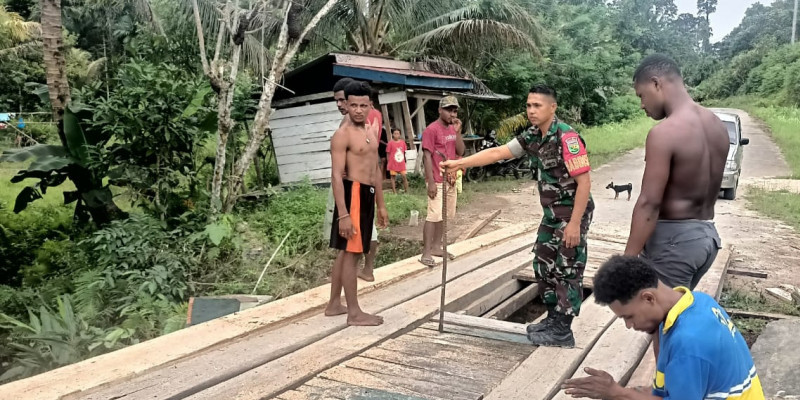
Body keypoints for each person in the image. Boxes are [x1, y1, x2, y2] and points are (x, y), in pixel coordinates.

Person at [442, 85, 594, 348]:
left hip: (571, 212)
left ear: (552, 107)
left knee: (567, 267)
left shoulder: (567, 137)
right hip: (552, 214)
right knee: (543, 262)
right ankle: (553, 318)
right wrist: (459, 163)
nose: (531, 111)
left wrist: (574, 225)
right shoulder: (534, 135)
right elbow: (498, 152)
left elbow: (585, 183)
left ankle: (563, 330)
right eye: (528, 105)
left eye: (537, 105)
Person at [563, 255, 765, 400]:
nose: (629, 326)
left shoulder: (689, 343)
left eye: (629, 316)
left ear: (649, 298)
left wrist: (618, 393)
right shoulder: (697, 301)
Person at [624, 54, 728, 291]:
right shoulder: (717, 125)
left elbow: (649, 203)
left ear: (656, 83)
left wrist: (627, 261)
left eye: (641, 95)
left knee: (659, 324)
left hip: (673, 244)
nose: (642, 105)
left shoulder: (664, 133)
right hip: (705, 237)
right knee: (678, 318)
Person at [324, 81, 388, 326]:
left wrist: (381, 204)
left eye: (363, 105)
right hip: (353, 194)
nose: (358, 110)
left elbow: (375, 168)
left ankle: (336, 305)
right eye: (353, 105)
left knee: (354, 252)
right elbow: (336, 176)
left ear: (370, 105)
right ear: (346, 105)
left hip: (368, 194)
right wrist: (343, 214)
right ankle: (354, 313)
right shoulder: (343, 134)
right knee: (351, 254)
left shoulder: (371, 131)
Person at [419, 96, 465, 267]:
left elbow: (460, 150)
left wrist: (458, 132)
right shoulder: (432, 130)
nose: (452, 114)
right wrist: (430, 181)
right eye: (448, 110)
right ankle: (426, 252)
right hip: (437, 179)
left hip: (451, 179)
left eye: (454, 111)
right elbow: (427, 156)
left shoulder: (453, 130)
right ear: (440, 110)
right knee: (433, 214)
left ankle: (437, 246)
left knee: (444, 215)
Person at [386, 127, 409, 194]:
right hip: (393, 163)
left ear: (400, 135)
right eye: (395, 133)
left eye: (398, 133)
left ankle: (406, 191)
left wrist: (405, 160)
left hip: (401, 163)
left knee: (404, 176)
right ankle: (394, 192)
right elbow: (388, 153)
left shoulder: (402, 143)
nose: (396, 135)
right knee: (393, 177)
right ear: (392, 134)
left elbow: (404, 153)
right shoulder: (390, 143)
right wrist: (388, 162)